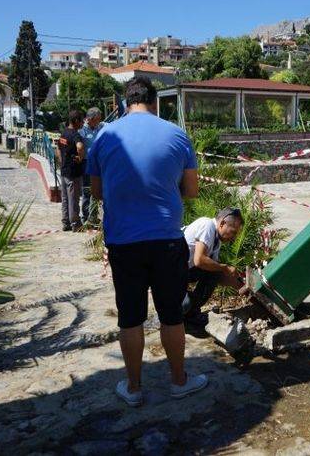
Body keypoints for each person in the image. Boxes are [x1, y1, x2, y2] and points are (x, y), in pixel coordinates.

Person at [86, 77, 206, 407]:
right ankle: (179, 381)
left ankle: (135, 387)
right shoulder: (177, 135)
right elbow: (192, 190)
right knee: (171, 316)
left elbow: (97, 192)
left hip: (124, 242)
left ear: (126, 102)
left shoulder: (104, 136)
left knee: (130, 317)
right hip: (167, 239)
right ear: (154, 102)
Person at [182, 208, 247, 329]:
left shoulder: (216, 240)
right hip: (170, 274)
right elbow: (199, 260)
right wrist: (225, 267)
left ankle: (190, 314)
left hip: (185, 272)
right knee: (184, 305)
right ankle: (179, 311)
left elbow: (215, 272)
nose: (233, 238)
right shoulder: (207, 226)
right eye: (233, 232)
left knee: (215, 272)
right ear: (222, 223)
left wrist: (239, 285)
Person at [55, 110, 85, 232]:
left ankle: (65, 222)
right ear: (76, 121)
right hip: (73, 172)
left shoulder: (64, 133)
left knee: (65, 198)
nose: (83, 123)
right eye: (81, 120)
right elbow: (80, 146)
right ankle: (75, 223)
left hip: (64, 170)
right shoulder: (75, 134)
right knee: (74, 198)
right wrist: (81, 157)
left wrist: (61, 161)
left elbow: (57, 148)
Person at [79, 107, 104, 226]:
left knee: (97, 190)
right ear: (89, 119)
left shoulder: (100, 127)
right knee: (87, 190)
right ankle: (85, 217)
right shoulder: (82, 130)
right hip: (86, 164)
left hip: (99, 164)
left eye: (99, 119)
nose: (98, 121)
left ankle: (93, 217)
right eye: (97, 119)